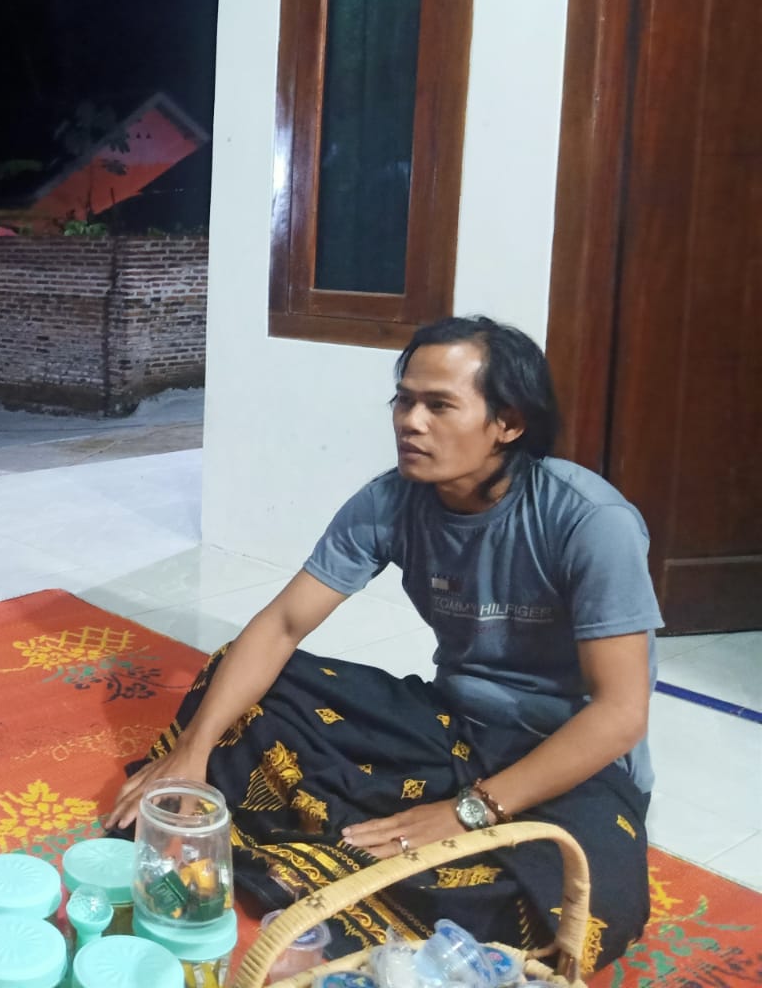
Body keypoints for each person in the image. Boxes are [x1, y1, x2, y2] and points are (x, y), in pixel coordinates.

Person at [108, 316, 659, 974]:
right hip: (455, 726)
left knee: (576, 900)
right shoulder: (391, 501)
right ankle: (372, 843)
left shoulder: (589, 521)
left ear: (508, 423)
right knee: (242, 682)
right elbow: (283, 624)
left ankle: (379, 846)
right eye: (404, 400)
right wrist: (193, 754)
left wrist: (472, 811)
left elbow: (620, 712)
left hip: (571, 762)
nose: (410, 422)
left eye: (439, 405)